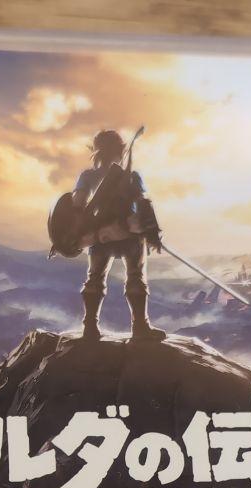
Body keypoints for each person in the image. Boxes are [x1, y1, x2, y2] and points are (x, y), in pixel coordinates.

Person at [72, 129, 166, 342]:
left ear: (96, 151)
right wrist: (151, 232)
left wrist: (81, 232)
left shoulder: (88, 176)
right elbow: (143, 204)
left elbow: (77, 205)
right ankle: (140, 327)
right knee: (135, 277)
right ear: (120, 150)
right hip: (129, 235)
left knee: (95, 278)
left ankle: (90, 328)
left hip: (100, 236)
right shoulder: (131, 176)